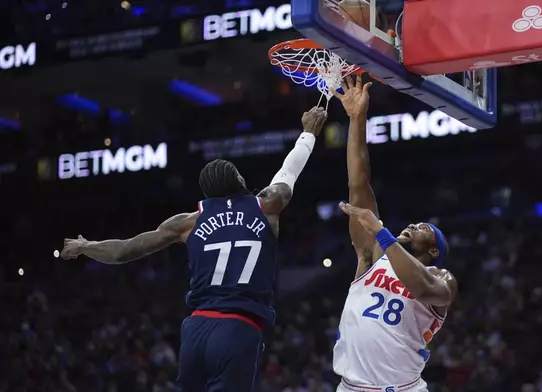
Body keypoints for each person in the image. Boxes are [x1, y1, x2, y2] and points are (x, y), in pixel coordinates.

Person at [60, 107, 328, 392]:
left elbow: (125, 251)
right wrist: (308, 134)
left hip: (196, 329)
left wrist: (86, 246)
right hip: (239, 327)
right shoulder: (266, 206)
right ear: (239, 180)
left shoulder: (187, 222)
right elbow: (288, 172)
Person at [331, 75, 458, 392]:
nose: (414, 225)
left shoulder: (442, 279)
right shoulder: (373, 253)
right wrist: (357, 118)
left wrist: (383, 234)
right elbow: (359, 183)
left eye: (424, 229)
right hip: (351, 387)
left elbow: (421, 286)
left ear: (432, 252)